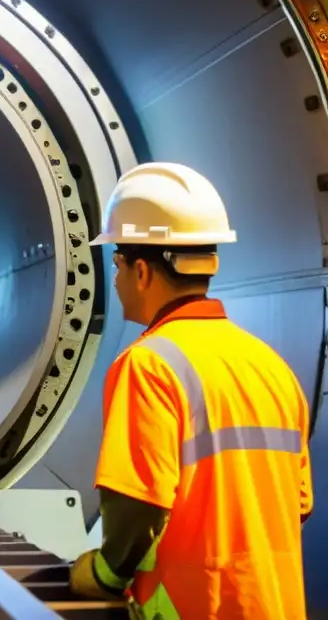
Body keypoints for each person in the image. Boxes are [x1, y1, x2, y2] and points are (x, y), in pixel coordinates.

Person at [68, 162, 313, 619]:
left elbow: (137, 504)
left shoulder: (149, 364)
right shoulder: (271, 366)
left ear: (141, 271)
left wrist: (104, 575)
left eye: (117, 263)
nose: (117, 280)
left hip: (197, 608)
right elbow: (297, 505)